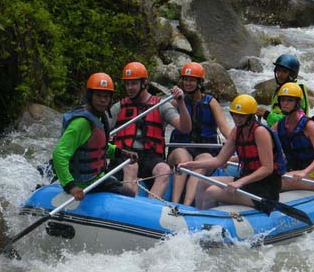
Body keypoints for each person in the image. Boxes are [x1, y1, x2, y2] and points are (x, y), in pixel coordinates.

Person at [178, 94, 286, 211]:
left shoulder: (260, 132)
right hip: (247, 181)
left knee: (211, 192)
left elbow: (267, 168)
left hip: (265, 189)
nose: (237, 119)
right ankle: (196, 216)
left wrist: (240, 182)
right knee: (203, 182)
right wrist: (190, 165)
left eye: (241, 116)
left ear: (250, 116)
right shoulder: (236, 131)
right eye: (235, 114)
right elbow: (219, 160)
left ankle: (207, 223)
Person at [109, 61, 191, 198]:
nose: (130, 88)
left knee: (163, 169)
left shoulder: (160, 106)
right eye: (127, 84)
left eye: (134, 83)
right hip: (125, 156)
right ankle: (129, 201)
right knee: (131, 165)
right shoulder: (119, 107)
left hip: (150, 157)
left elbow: (185, 128)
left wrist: (181, 102)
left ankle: (148, 206)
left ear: (144, 83)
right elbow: (100, 131)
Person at [52, 73, 138, 201]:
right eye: (98, 96)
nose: (103, 100)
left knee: (129, 192)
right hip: (81, 184)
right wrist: (71, 186)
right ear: (90, 96)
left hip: (96, 179)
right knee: (127, 194)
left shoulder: (98, 118)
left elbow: (98, 147)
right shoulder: (81, 123)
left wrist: (122, 153)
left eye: (106, 96)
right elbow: (59, 154)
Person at [167, 62, 232, 206]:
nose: (188, 83)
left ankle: (186, 205)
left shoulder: (211, 102)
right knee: (182, 160)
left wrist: (238, 145)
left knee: (201, 163)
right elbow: (160, 121)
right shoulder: (176, 102)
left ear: (199, 82)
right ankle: (174, 204)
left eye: (191, 80)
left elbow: (224, 128)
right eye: (185, 79)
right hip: (182, 147)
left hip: (205, 149)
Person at [271, 83, 314, 192]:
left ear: (298, 103)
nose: (285, 103)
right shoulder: (278, 126)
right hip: (290, 172)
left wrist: (304, 172)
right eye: (283, 100)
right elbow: (263, 148)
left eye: (290, 100)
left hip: (312, 177)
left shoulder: (309, 125)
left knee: (275, 183)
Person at [256, 54, 311, 127]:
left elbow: (294, 120)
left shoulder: (297, 89)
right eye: (278, 70)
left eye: (284, 72)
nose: (279, 74)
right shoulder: (280, 88)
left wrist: (266, 114)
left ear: (292, 74)